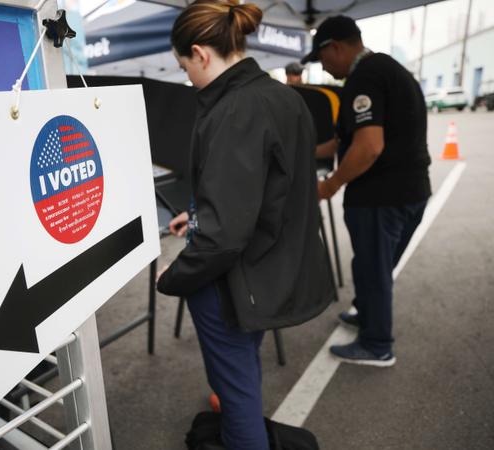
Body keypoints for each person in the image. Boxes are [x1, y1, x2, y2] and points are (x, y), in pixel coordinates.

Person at [156, 1, 334, 448]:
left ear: (199, 53)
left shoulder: (232, 110)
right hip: (269, 272)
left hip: (232, 282)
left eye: (184, 67)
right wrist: (197, 213)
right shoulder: (283, 97)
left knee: (236, 402)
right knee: (241, 374)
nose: (188, 79)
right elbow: (269, 191)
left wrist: (175, 276)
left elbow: (222, 238)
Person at [302, 15, 432, 367]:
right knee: (374, 267)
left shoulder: (365, 77)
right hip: (411, 191)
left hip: (382, 198)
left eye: (323, 59)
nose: (325, 69)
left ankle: (376, 345)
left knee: (373, 269)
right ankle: (369, 317)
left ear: (336, 47)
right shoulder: (387, 70)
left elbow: (369, 146)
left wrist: (329, 185)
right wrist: (300, 149)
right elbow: (342, 142)